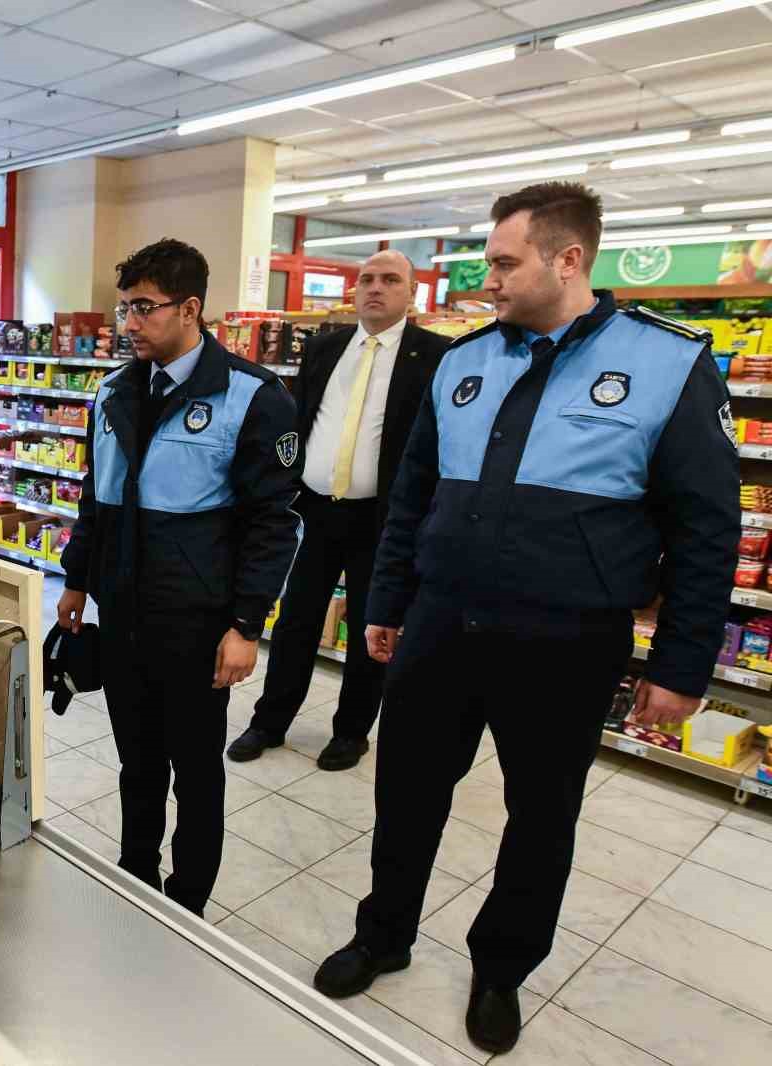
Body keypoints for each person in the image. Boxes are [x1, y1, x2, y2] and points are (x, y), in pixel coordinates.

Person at [313, 183, 738, 1054]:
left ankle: (500, 968)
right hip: (441, 623)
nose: (489, 281)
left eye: (504, 263)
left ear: (567, 258)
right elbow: (413, 497)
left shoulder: (668, 362)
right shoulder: (462, 363)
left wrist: (684, 664)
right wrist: (387, 600)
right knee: (405, 798)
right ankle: (383, 935)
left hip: (568, 641)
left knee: (541, 818)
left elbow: (707, 528)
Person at [57, 238, 302, 917]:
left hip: (197, 623)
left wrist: (248, 625)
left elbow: (271, 522)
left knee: (195, 773)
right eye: (123, 308)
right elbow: (94, 498)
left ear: (190, 308)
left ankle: (189, 902)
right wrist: (77, 580)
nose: (127, 323)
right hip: (124, 612)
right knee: (137, 762)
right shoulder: (111, 392)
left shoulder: (252, 397)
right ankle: (138, 877)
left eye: (143, 308)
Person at [228, 250, 448, 772]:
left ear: (411, 293)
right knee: (295, 622)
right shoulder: (325, 347)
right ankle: (269, 721)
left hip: (383, 520)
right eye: (367, 279)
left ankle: (351, 730)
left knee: (373, 630)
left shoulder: (436, 355)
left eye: (390, 280)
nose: (376, 288)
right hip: (315, 512)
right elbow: (303, 419)